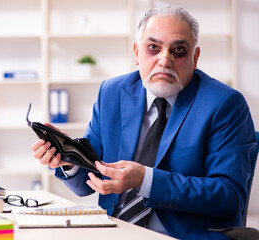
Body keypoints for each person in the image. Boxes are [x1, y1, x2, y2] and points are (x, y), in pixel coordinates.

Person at [31, 5, 256, 240]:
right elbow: (87, 182)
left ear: (195, 58)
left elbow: (230, 197)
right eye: (153, 48)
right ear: (137, 53)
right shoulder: (112, 92)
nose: (164, 60)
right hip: (114, 230)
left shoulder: (224, 104)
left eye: (178, 50)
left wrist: (146, 180)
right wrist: (67, 159)